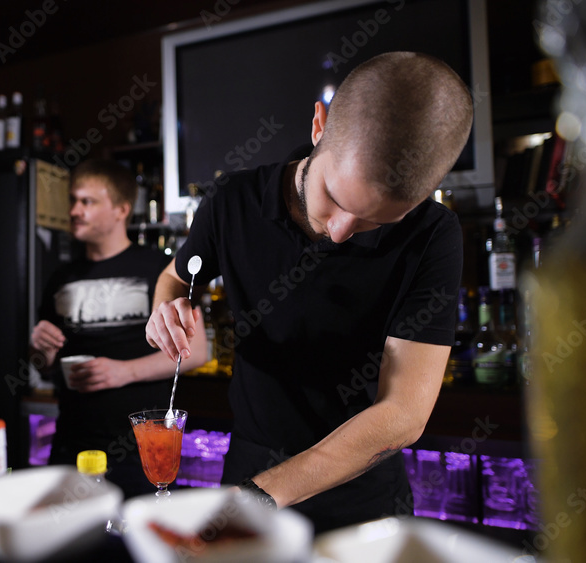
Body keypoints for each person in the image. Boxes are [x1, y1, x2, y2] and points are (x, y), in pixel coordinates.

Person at [146, 52, 473, 532]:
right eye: (335, 199)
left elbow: (404, 412)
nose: (340, 233)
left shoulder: (434, 235)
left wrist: (263, 496)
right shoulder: (231, 201)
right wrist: (166, 308)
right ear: (319, 124)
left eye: (376, 221)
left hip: (360, 486)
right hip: (251, 462)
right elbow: (175, 277)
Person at [30, 158, 207, 497]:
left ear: (121, 209)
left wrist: (122, 372)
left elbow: (197, 352)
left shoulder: (160, 269)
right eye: (73, 201)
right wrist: (42, 351)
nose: (75, 210)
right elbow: (41, 364)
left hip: (141, 449)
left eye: (88, 202)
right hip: (73, 445)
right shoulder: (61, 276)